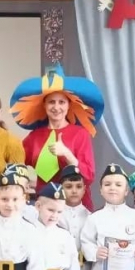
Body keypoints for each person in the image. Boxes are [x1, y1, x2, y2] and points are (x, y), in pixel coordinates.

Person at [11, 65, 104, 211]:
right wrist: (24, 182)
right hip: (45, 208)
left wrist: (67, 154)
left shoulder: (80, 134)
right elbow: (16, 164)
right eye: (51, 102)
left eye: (61, 102)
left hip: (75, 207)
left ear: (69, 105)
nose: (56, 107)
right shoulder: (34, 136)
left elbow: (88, 176)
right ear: (44, 105)